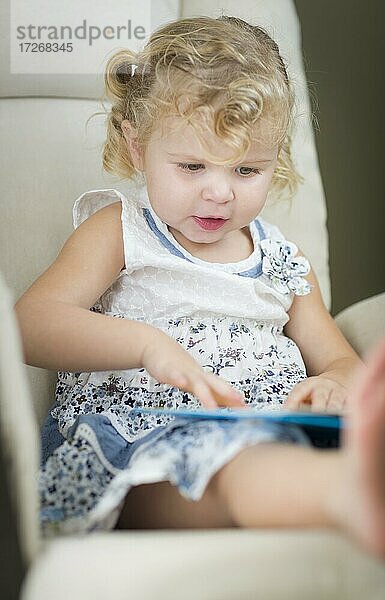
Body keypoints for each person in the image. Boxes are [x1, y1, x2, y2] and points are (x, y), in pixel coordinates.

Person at [15, 15, 385, 557]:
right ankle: (347, 497)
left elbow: (340, 360)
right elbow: (29, 323)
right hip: (141, 447)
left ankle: (335, 485)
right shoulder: (121, 233)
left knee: (291, 449)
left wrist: (332, 384)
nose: (219, 193)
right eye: (192, 166)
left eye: (247, 170)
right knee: (236, 466)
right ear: (138, 148)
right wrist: (147, 345)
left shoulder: (283, 261)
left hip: (276, 431)